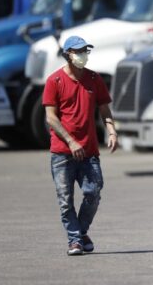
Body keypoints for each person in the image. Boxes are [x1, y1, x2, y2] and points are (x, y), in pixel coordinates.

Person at [43, 35, 118, 256]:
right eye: (78, 51)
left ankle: (81, 231)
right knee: (65, 201)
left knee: (93, 192)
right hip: (62, 153)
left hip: (89, 151)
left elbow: (104, 109)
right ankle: (75, 240)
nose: (83, 55)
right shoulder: (54, 81)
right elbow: (51, 117)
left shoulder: (94, 79)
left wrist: (112, 131)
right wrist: (70, 141)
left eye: (86, 50)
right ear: (68, 55)